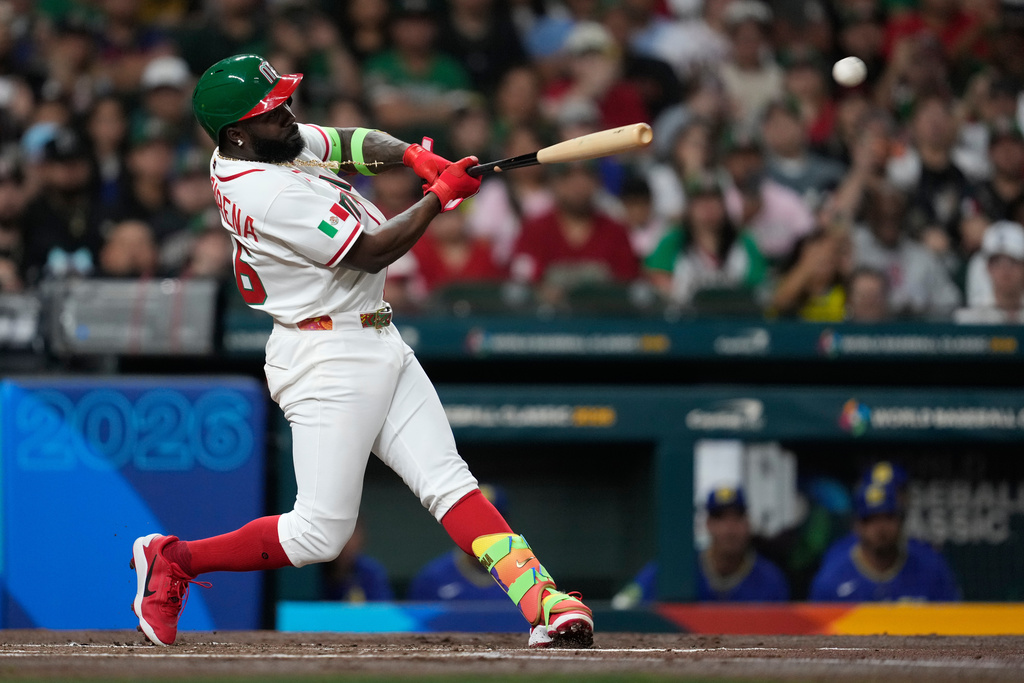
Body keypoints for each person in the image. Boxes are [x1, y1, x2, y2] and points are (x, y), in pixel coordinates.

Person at [129, 54, 592, 650]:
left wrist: (415, 156)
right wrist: (439, 197)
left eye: (283, 101)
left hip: (373, 334)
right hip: (325, 354)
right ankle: (174, 560)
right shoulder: (266, 191)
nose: (288, 115)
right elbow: (370, 251)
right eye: (271, 110)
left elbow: (349, 142)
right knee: (319, 534)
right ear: (236, 134)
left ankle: (542, 600)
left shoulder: (264, 143)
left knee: (449, 482)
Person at [612, 486, 789, 607]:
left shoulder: (770, 578)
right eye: (720, 518)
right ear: (708, 524)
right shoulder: (675, 568)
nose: (730, 528)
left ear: (748, 522)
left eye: (737, 517)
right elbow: (621, 604)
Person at [810, 479, 960, 602]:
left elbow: (952, 621)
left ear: (901, 520)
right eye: (871, 519)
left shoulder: (931, 568)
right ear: (857, 526)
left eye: (888, 517)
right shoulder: (831, 578)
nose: (880, 528)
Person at [407, 484, 512, 602]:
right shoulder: (433, 579)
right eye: (472, 519)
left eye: (490, 520)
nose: (481, 528)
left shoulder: (526, 576)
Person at [956, 220, 1024, 323]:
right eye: (996, 261)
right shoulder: (969, 319)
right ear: (987, 267)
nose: (1005, 269)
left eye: (1013, 261)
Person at [320, 518, 394, 602]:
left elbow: (382, 607)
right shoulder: (314, 570)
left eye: (352, 534)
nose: (347, 541)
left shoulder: (371, 573)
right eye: (339, 532)